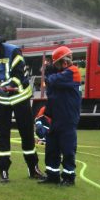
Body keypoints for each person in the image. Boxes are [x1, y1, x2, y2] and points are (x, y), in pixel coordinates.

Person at [0, 31, 42, 182]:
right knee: (3, 136)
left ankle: (33, 168)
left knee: (27, 135)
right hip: (1, 102)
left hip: (20, 99)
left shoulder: (13, 52)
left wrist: (0, 88)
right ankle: (3, 171)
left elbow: (19, 78)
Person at [37, 46, 82, 186]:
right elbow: (51, 90)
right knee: (52, 148)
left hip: (68, 119)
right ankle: (52, 175)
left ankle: (69, 177)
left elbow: (54, 81)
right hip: (56, 118)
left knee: (68, 149)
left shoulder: (73, 72)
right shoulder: (60, 75)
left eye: (56, 64)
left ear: (64, 62)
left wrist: (50, 74)